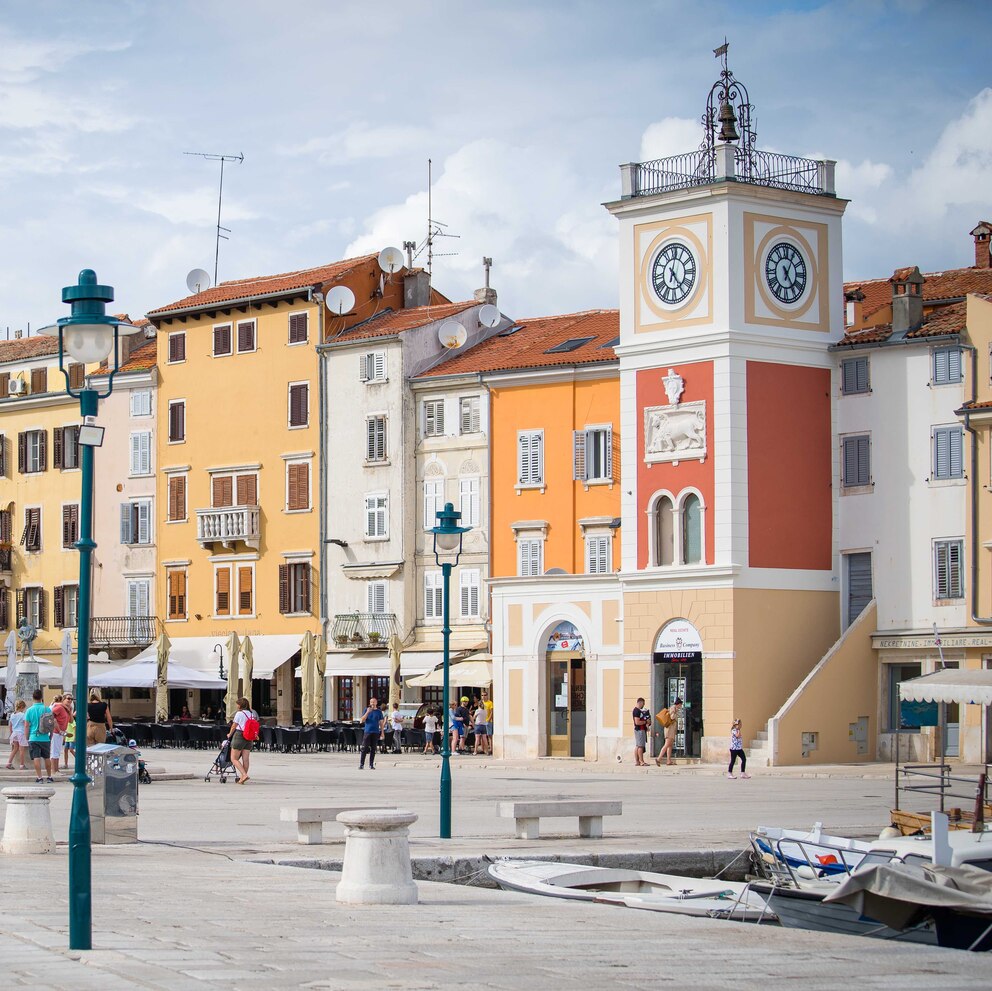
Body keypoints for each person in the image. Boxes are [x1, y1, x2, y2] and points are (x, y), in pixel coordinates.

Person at [24, 689, 54, 783]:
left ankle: (40, 777)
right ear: (42, 698)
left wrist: (27, 737)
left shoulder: (29, 710)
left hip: (33, 737)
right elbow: (51, 724)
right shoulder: (47, 709)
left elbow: (26, 725)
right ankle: (49, 776)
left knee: (36, 757)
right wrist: (51, 735)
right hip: (45, 737)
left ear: (33, 697)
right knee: (47, 758)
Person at [227, 697, 258, 785]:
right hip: (249, 737)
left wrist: (230, 734)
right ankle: (242, 778)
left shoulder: (239, 714)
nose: (236, 706)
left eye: (237, 704)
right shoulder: (251, 714)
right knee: (246, 759)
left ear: (240, 705)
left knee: (234, 758)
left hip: (240, 735)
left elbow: (234, 725)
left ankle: (244, 775)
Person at [655, 698, 683, 767]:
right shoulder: (673, 708)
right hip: (669, 730)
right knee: (667, 744)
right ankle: (659, 759)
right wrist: (677, 714)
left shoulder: (674, 708)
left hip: (671, 729)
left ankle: (668, 760)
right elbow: (672, 717)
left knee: (670, 745)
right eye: (681, 705)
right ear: (678, 704)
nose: (681, 706)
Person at [358, 696, 384, 770]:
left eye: (374, 702)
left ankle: (371, 764)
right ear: (369, 703)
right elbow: (362, 720)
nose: (372, 703)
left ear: (376, 703)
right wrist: (367, 712)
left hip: (375, 732)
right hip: (367, 731)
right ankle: (361, 764)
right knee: (364, 748)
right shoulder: (366, 710)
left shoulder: (379, 712)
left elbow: (381, 723)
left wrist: (382, 732)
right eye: (371, 702)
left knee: (373, 748)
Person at [50, 693, 71, 773]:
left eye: (71, 699)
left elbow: (71, 720)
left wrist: (70, 710)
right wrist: (58, 728)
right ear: (63, 699)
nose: (70, 700)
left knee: (58, 751)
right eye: (68, 698)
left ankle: (56, 769)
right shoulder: (59, 707)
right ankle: (54, 770)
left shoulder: (65, 709)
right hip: (56, 732)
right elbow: (51, 715)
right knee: (54, 751)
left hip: (60, 733)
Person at [5, 699, 28, 770]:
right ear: (22, 707)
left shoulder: (12, 715)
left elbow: (10, 725)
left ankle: (8, 763)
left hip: (14, 733)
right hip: (21, 733)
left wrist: (11, 733)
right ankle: (22, 765)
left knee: (15, 749)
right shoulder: (23, 715)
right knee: (21, 750)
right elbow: (25, 724)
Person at [632, 697, 650, 766]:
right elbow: (637, 722)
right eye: (643, 703)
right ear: (640, 702)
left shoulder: (639, 711)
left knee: (638, 746)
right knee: (640, 746)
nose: (643, 705)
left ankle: (637, 761)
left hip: (640, 729)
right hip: (639, 729)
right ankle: (641, 761)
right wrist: (645, 721)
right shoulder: (636, 711)